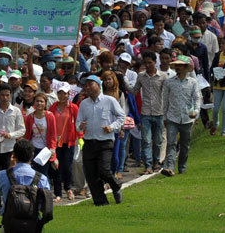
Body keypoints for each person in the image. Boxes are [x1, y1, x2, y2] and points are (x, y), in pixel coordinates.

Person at [75, 75, 124, 206]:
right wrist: (81, 126)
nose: (87, 87)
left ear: (98, 85)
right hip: (89, 142)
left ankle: (116, 186)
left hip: (105, 142)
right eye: (86, 85)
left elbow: (121, 116)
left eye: (90, 84)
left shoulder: (110, 100)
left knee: (104, 170)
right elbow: (78, 122)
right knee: (91, 174)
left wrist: (112, 127)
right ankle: (100, 201)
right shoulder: (84, 104)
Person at [0, 83, 26, 216]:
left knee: (10, 179)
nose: (5, 98)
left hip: (9, 149)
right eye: (2, 95)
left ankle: (9, 206)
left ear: (11, 96)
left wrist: (10, 135)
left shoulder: (16, 111)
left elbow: (22, 129)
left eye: (7, 95)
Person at [161, 55, 201, 177]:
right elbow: (165, 100)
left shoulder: (193, 83)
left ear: (185, 67)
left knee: (185, 145)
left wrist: (196, 112)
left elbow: (197, 98)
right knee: (171, 143)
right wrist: (164, 117)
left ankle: (182, 167)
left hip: (187, 118)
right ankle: (169, 167)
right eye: (177, 65)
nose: (178, 68)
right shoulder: (169, 82)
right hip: (172, 117)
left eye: (181, 66)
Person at [0, 139, 50, 216]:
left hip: (9, 221)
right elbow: (46, 203)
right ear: (32, 155)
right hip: (33, 222)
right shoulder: (42, 178)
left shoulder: (2, 175)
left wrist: (10, 168)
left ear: (13, 155)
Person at [132, 51, 167, 174]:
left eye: (149, 63)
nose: (147, 65)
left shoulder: (163, 76)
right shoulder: (141, 76)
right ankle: (148, 165)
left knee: (157, 141)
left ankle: (155, 162)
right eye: (145, 63)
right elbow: (134, 90)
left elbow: (167, 94)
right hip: (146, 112)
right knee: (146, 140)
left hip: (159, 112)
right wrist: (123, 83)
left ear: (154, 62)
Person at [49, 83, 79, 202]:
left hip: (69, 142)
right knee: (56, 168)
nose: (62, 96)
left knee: (67, 166)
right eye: (60, 93)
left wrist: (80, 137)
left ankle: (68, 188)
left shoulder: (73, 108)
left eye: (64, 93)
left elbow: (78, 123)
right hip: (55, 143)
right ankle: (58, 193)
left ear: (69, 95)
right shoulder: (53, 107)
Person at [24, 93, 57, 176]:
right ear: (34, 103)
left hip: (45, 150)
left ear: (45, 103)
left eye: (42, 101)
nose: (39, 103)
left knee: (43, 174)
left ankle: (43, 189)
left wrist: (52, 149)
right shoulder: (30, 117)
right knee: (33, 173)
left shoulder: (50, 116)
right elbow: (27, 134)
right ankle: (34, 189)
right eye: (37, 101)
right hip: (33, 148)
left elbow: (53, 134)